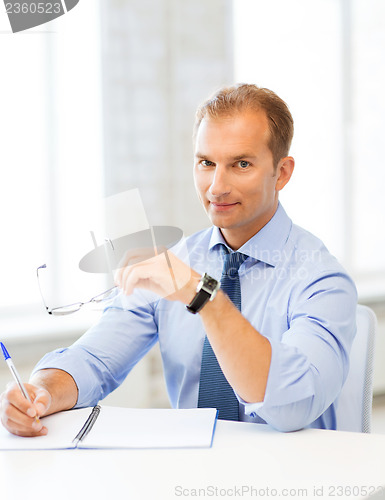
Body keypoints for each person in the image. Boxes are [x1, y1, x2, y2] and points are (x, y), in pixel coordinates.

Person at [0, 83, 357, 436]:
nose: (216, 186)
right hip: (190, 475)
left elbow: (292, 405)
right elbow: (94, 361)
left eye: (241, 164)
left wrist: (202, 294)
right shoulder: (175, 265)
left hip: (290, 483)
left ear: (281, 173)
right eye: (206, 163)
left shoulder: (320, 278)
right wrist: (43, 391)